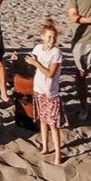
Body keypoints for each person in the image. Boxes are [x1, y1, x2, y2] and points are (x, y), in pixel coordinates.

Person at [28, 18, 67, 165]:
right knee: (43, 120)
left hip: (51, 92)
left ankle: (58, 153)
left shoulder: (56, 53)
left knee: (53, 124)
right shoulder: (38, 48)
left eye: (54, 37)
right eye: (49, 37)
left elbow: (50, 73)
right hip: (38, 89)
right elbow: (31, 66)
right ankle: (45, 146)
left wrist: (36, 63)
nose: (52, 40)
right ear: (43, 37)